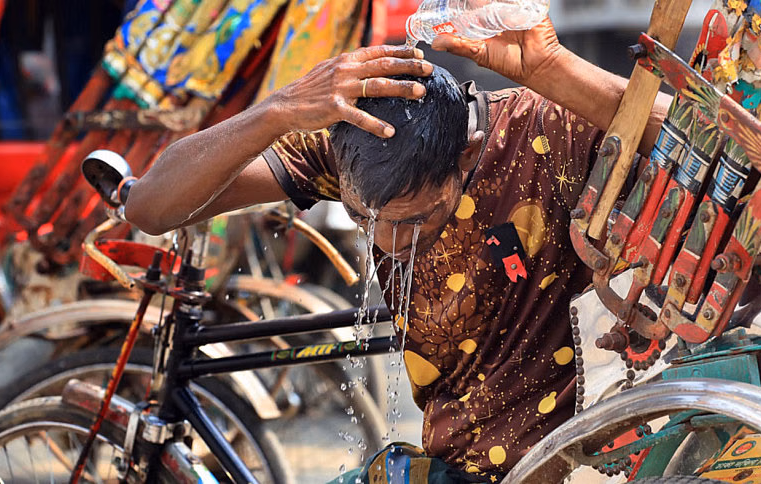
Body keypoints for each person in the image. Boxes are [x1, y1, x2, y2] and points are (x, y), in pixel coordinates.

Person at [126, 18, 670, 483]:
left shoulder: (541, 133)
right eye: (363, 219)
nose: (388, 242)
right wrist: (277, 110)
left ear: (466, 156)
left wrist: (553, 68)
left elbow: (702, 150)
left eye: (414, 219)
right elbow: (149, 207)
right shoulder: (344, 148)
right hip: (452, 464)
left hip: (578, 461)